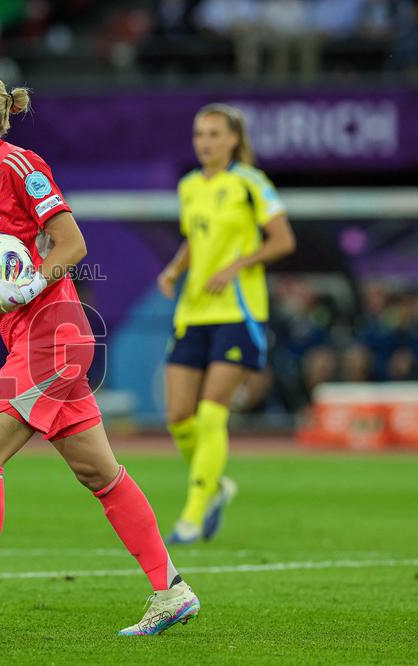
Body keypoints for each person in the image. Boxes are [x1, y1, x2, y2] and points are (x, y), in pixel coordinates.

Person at [0, 68, 199, 638]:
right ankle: (171, 590)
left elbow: (72, 244)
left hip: (55, 336)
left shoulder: (21, 165)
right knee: (99, 474)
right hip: (27, 338)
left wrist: (28, 288)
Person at [157, 103, 296, 545]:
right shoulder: (189, 186)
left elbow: (283, 240)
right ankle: (215, 486)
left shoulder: (251, 182)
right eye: (200, 134)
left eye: (215, 134)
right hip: (193, 311)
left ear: (234, 138)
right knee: (179, 416)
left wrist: (238, 265)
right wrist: (175, 269)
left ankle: (192, 515)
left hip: (238, 311)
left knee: (212, 411)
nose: (206, 142)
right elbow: (196, 240)